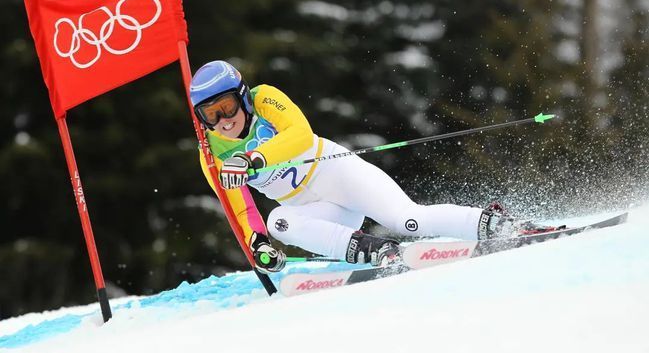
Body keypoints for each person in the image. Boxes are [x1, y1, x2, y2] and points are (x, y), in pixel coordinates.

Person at [189, 60, 546, 273]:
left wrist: (253, 159)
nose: (222, 121)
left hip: (336, 175)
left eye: (227, 107)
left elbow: (299, 134)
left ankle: (499, 225)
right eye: (210, 114)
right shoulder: (212, 154)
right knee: (277, 222)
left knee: (408, 220)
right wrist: (258, 245)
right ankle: (376, 251)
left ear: (243, 97)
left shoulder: (265, 98)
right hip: (311, 207)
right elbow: (239, 207)